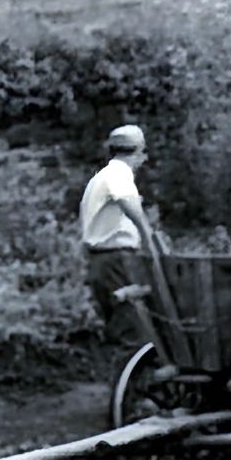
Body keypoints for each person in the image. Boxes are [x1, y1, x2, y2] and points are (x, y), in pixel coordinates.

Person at [79, 124, 171, 336]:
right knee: (134, 327)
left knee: (117, 327)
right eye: (142, 153)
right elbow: (135, 214)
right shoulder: (119, 175)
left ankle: (120, 367)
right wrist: (153, 248)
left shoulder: (98, 179)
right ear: (138, 153)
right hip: (117, 260)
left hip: (99, 260)